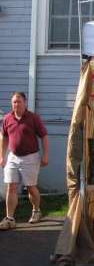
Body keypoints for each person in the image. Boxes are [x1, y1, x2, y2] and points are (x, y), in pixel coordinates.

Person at [0, 92, 49, 230]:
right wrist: (2, 156)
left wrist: (46, 155)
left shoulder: (33, 118)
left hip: (30, 157)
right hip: (13, 157)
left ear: (25, 102)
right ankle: (10, 218)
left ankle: (36, 211)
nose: (16, 104)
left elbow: (44, 136)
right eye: (14, 102)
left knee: (31, 188)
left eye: (19, 101)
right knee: (11, 186)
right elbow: (4, 137)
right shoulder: (7, 118)